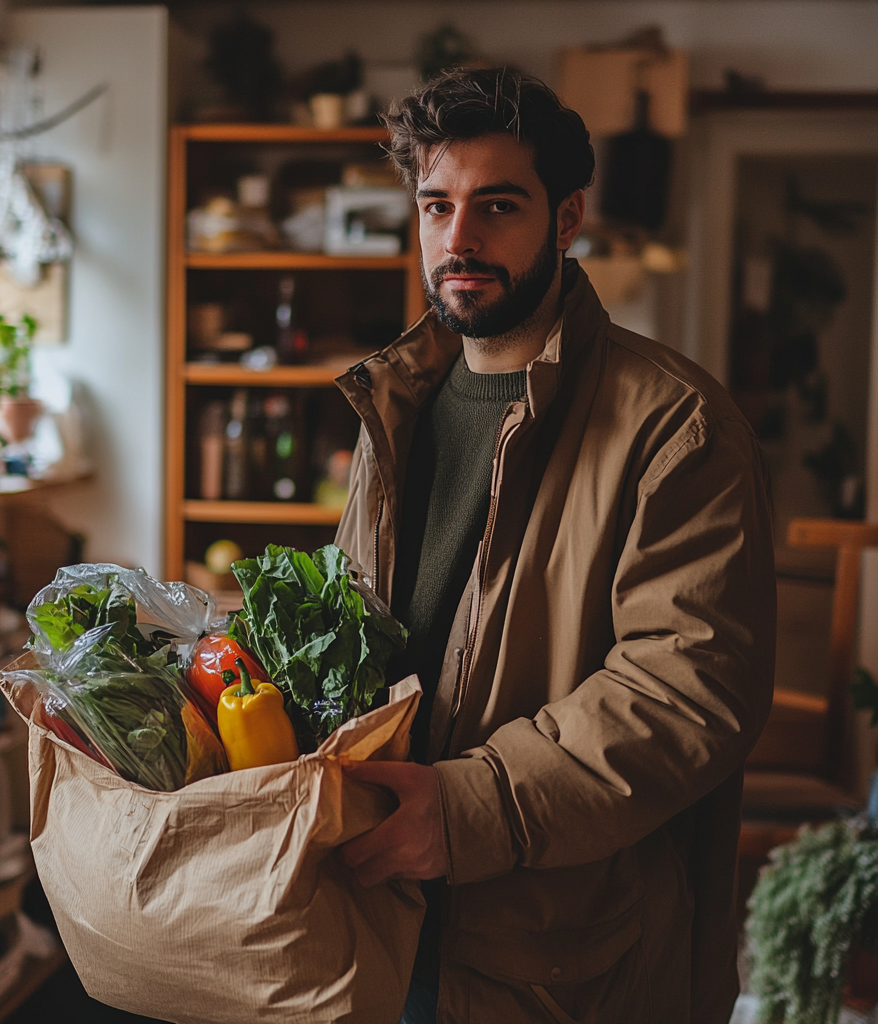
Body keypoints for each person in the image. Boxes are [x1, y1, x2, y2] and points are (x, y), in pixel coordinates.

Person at [333, 68, 776, 1024]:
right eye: (437, 205)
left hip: (557, 959)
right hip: (372, 919)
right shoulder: (395, 404)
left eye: (498, 205)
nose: (460, 238)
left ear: (567, 215)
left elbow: (687, 691)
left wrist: (464, 812)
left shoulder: (677, 426)